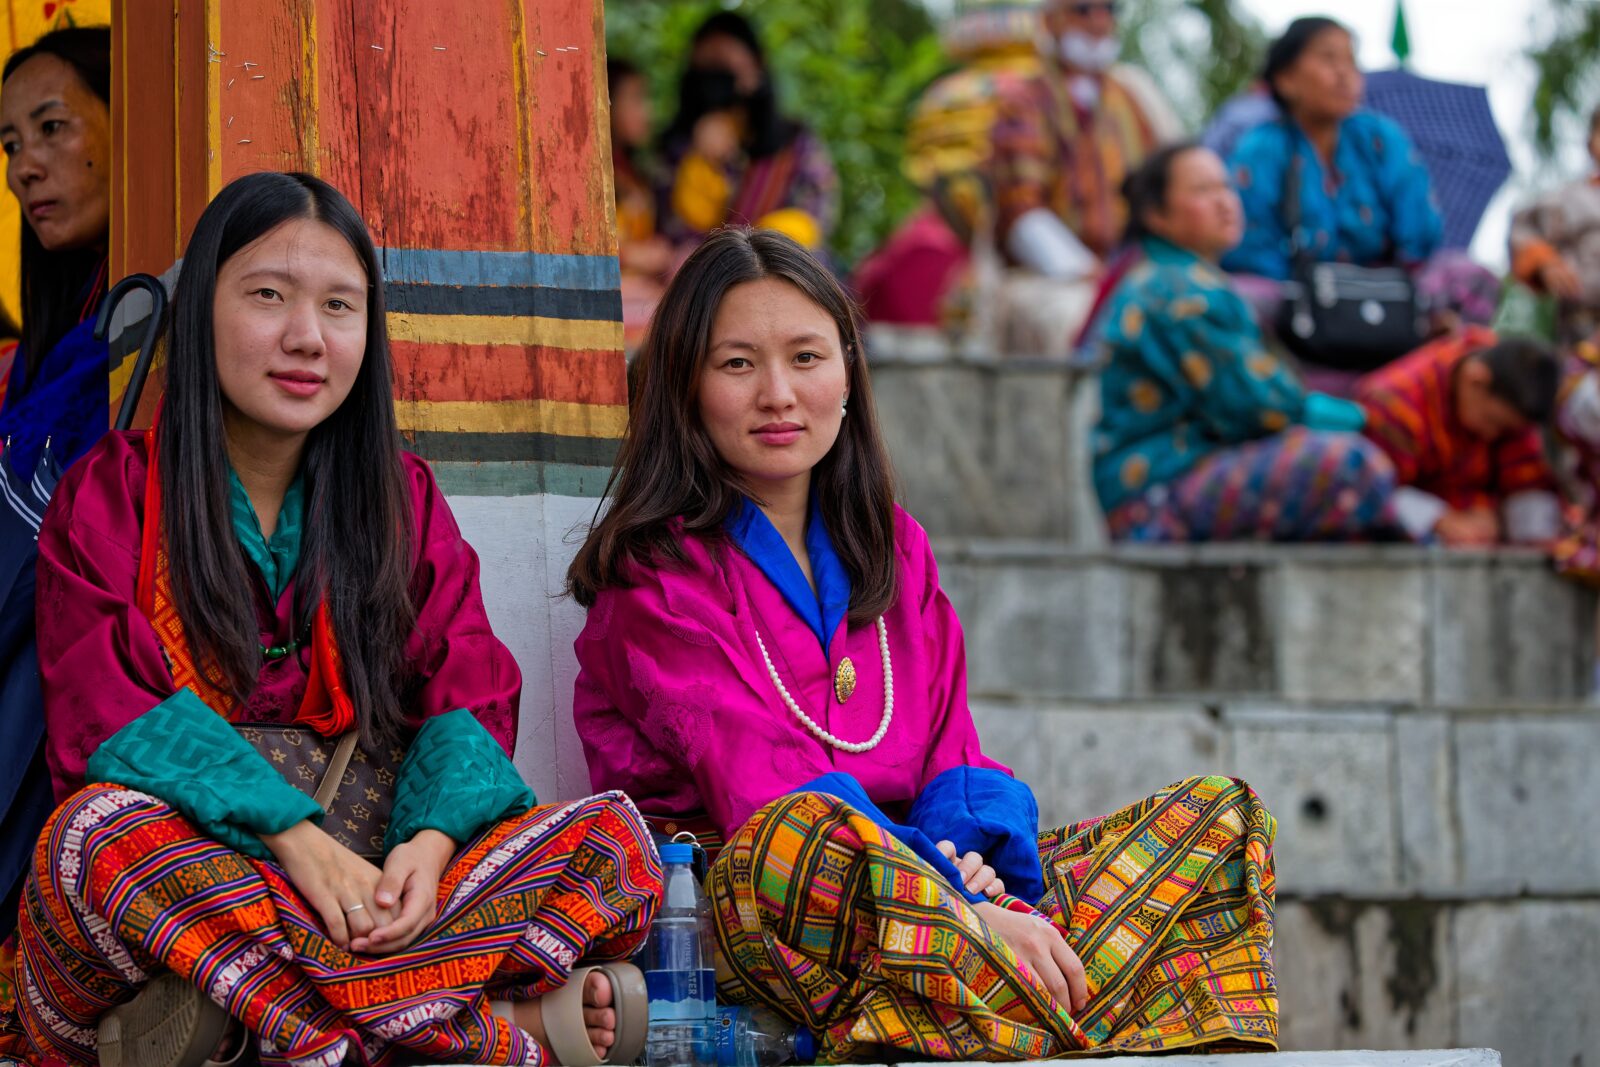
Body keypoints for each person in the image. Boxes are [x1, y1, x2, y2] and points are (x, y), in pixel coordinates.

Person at [567, 227, 1279, 1060]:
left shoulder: (896, 547)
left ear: (847, 373)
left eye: (806, 357)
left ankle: (963, 1010)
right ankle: (1052, 1002)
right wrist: (956, 903)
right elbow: (763, 791)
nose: (778, 394)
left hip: (934, 894)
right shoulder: (654, 573)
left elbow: (956, 756)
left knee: (1221, 819)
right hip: (775, 910)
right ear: (684, 385)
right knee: (801, 835)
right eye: (736, 364)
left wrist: (979, 883)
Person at [0, 171, 660, 1067]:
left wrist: (424, 852)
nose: (306, 337)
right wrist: (295, 843)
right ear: (201, 312)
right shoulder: (110, 492)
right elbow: (105, 710)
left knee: (616, 842)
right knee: (96, 839)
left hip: (369, 878)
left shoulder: (402, 499)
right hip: (204, 873)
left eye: (340, 306)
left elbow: (466, 683)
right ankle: (466, 1029)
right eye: (268, 296)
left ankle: (256, 1025)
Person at [1093, 142, 1400, 542]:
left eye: (1226, 187)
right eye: (1202, 191)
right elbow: (1259, 407)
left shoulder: (1177, 276)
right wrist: (1364, 418)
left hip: (1178, 479)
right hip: (1152, 496)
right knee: (1350, 463)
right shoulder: (1178, 289)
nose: (1224, 202)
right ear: (1156, 215)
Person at [1222, 17, 1499, 382]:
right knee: (1233, 297)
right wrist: (1317, 288)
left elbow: (1419, 232)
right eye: (1328, 60)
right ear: (1286, 79)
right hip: (1300, 294)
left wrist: (1383, 279)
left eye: (1351, 62)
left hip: (1383, 288)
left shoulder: (1381, 137)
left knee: (1472, 276)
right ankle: (1282, 379)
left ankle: (1429, 373)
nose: (1344, 74)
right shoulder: (1262, 147)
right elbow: (1247, 245)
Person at [0, 27, 112, 477]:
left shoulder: (175, 307)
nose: (22, 169)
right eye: (11, 146)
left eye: (51, 127)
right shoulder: (52, 338)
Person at [1356, 328, 1561, 546]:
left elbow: (1526, 478)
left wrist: (1492, 516)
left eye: (1504, 431)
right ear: (1476, 381)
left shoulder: (1515, 390)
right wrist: (1437, 518)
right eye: (1491, 421)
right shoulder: (1394, 406)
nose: (1491, 436)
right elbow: (1369, 488)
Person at [658, 12, 837, 254]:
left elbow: (814, 217)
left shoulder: (795, 143)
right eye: (706, 70)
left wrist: (758, 249)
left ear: (757, 66)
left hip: (781, 268)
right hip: (704, 275)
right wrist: (704, 162)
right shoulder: (678, 148)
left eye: (725, 69)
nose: (716, 84)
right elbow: (672, 232)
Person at [1508, 104, 1600, 348]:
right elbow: (1524, 231)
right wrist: (1545, 262)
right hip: (1581, 324)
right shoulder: (1568, 199)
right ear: (1590, 142)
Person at [608, 57, 673, 348]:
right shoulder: (587, 174)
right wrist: (632, 256)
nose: (648, 112)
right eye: (636, 99)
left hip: (639, 288)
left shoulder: (632, 173)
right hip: (614, 288)